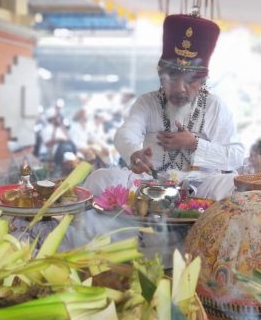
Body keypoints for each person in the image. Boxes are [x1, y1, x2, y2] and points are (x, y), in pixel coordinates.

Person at [84, 13, 245, 200]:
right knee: (100, 178)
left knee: (234, 183)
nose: (179, 89)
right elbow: (125, 134)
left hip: (199, 187)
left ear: (202, 82)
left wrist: (194, 144)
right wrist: (134, 154)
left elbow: (236, 156)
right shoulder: (147, 102)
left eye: (190, 81)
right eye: (172, 79)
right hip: (149, 185)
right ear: (161, 77)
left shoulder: (214, 106)